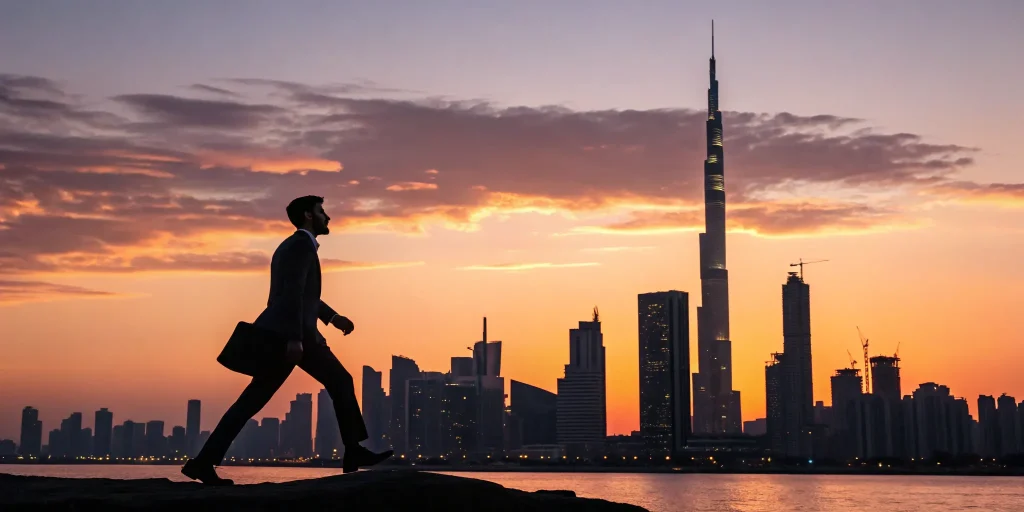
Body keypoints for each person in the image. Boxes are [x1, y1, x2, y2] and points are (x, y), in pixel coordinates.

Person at [181, 195, 393, 485]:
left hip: (286, 335)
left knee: (251, 402)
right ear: (308, 215)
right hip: (293, 338)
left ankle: (203, 463)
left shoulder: (293, 246)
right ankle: (354, 452)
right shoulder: (300, 246)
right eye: (321, 211)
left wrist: (332, 317)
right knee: (340, 382)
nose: (327, 217)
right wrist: (295, 339)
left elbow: (303, 294)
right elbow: (292, 293)